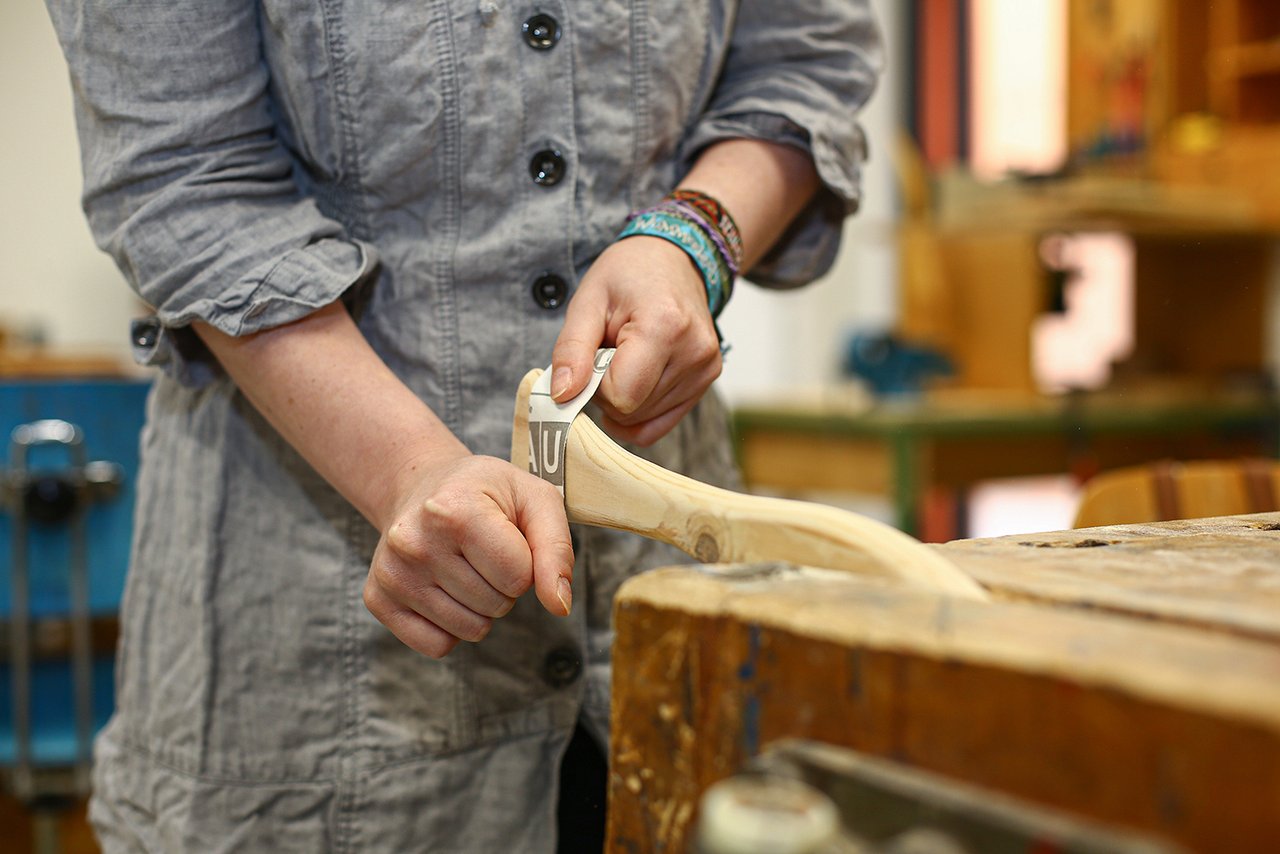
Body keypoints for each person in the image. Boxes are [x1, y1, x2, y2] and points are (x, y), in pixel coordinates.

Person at [45, 1, 882, 850]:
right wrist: (404, 467)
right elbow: (186, 177)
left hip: (663, 609)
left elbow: (805, 63)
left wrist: (691, 237)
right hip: (315, 657)